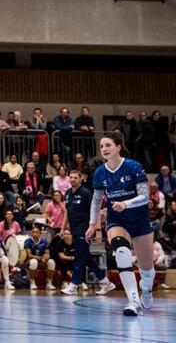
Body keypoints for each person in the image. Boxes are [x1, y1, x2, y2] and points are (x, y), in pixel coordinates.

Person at [86, 133, 157, 315]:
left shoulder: (133, 167)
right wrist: (92, 224)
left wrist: (126, 203)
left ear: (118, 147)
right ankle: (133, 301)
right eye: (102, 146)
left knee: (147, 269)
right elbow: (96, 200)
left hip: (140, 221)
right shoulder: (100, 172)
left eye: (108, 145)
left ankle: (146, 289)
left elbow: (144, 196)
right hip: (117, 221)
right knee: (122, 253)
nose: (104, 149)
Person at [62, 169, 114, 296]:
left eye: (75, 177)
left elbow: (95, 211)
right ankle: (106, 282)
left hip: (85, 230)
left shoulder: (86, 193)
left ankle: (73, 285)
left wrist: (97, 230)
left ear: (81, 179)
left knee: (79, 258)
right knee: (87, 258)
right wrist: (63, 228)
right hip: (74, 230)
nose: (73, 179)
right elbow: (67, 212)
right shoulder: (68, 193)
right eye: (71, 177)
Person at [23, 226, 55, 291]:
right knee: (34, 261)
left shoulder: (44, 242)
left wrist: (46, 257)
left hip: (41, 261)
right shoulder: (28, 241)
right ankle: (32, 282)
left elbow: (47, 253)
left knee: (51, 262)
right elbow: (29, 255)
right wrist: (40, 258)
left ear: (40, 233)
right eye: (33, 232)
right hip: (29, 261)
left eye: (37, 232)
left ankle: (49, 283)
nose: (35, 234)